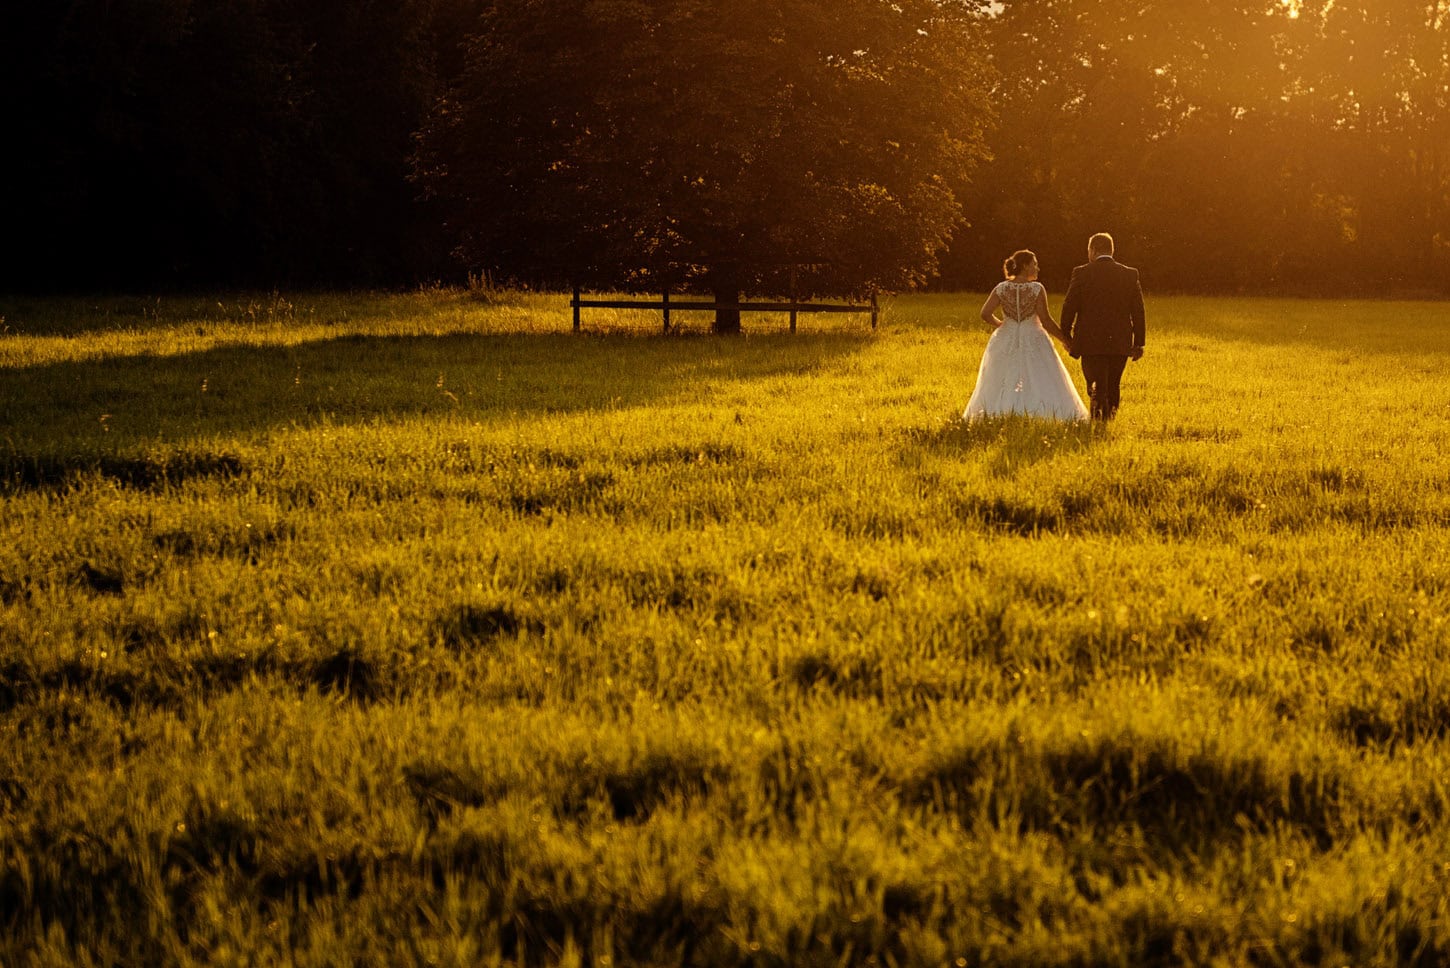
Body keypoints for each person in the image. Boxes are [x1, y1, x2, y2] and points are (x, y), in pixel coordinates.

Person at [963, 249, 1089, 422]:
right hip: (1033, 336)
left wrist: (1002, 325)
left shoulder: (1001, 288)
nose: (1038, 268)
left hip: (1006, 337)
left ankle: (1001, 412)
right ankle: (1039, 411)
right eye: (1034, 264)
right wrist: (1065, 340)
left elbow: (985, 313)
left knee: (1003, 376)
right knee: (1039, 376)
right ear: (1025, 266)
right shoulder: (1037, 289)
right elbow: (1045, 320)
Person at [1060, 233, 1146, 420]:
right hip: (1120, 340)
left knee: (1096, 382)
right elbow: (1138, 311)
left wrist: (1065, 334)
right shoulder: (1130, 274)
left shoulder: (1082, 273)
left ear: (1093, 250)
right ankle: (1109, 419)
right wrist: (1139, 342)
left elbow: (1069, 305)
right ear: (1111, 250)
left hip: (1090, 340)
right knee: (1114, 382)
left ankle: (1098, 418)